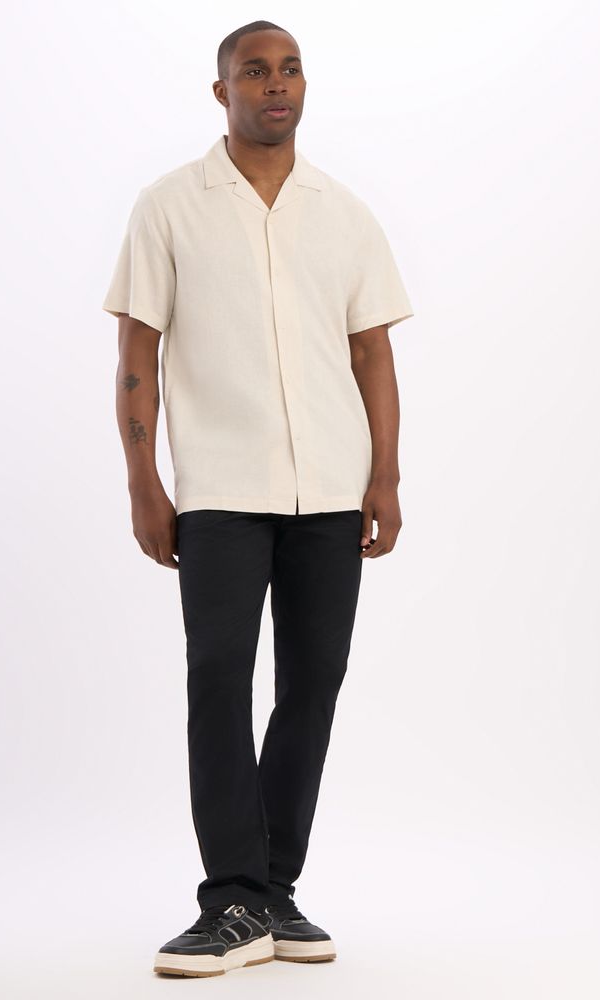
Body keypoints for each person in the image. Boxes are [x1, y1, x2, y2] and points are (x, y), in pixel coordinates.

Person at [103, 20, 414, 978]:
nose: (275, 85)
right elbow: (137, 353)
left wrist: (385, 476)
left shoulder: (343, 213)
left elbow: (372, 353)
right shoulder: (169, 207)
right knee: (218, 679)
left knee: (313, 682)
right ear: (222, 91)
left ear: (304, 87)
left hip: (330, 490)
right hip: (221, 491)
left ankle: (273, 891)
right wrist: (144, 483)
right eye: (254, 71)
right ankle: (230, 896)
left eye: (289, 70)